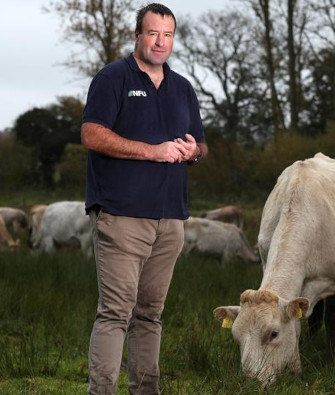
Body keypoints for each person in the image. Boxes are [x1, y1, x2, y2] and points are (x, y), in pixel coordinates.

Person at [80, 3, 207, 394]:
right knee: (116, 314)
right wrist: (152, 150)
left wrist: (193, 152)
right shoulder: (113, 78)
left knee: (150, 315)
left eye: (167, 35)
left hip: (170, 219)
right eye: (153, 33)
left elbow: (202, 144)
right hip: (122, 215)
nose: (160, 42)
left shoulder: (183, 88)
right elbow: (92, 135)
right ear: (138, 35)